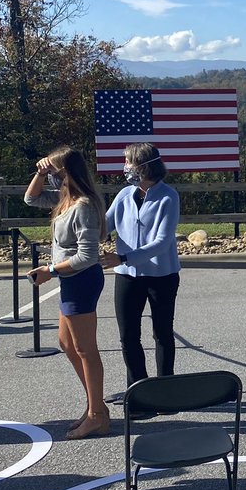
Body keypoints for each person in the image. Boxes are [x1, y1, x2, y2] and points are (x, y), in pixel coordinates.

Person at [24, 146, 109, 440]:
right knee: (67, 344)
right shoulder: (64, 200)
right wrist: (40, 171)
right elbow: (30, 198)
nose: (51, 178)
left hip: (81, 279)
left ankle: (97, 414)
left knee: (85, 349)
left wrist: (51, 270)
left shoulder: (83, 205)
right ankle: (94, 406)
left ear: (68, 173)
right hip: (70, 279)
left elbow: (88, 256)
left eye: (54, 172)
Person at [98, 143, 181, 397]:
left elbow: (161, 242)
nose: (125, 168)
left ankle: (166, 390)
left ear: (145, 166)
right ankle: (139, 390)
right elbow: (103, 228)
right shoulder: (124, 195)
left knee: (162, 333)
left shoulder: (168, 196)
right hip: (127, 276)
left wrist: (123, 257)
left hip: (161, 276)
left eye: (129, 162)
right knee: (128, 336)